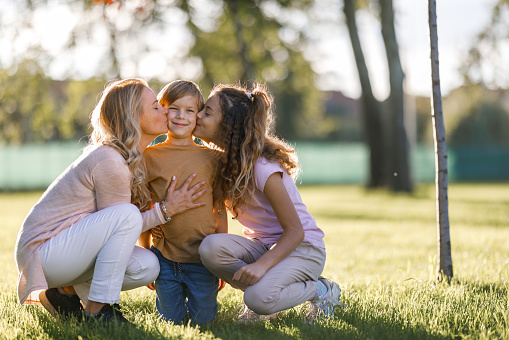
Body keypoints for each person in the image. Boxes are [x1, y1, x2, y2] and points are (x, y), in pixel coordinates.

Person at [14, 78, 207, 323]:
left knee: (147, 265)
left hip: (62, 249)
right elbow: (121, 223)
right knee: (125, 214)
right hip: (42, 253)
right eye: (156, 106)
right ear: (133, 117)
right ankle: (98, 309)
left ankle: (64, 293)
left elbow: (113, 234)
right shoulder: (110, 160)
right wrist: (166, 210)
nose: (165, 111)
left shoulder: (125, 157)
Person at [194, 83, 345, 322]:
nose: (198, 115)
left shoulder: (263, 168)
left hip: (303, 249)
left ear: (229, 126)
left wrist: (262, 266)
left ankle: (322, 290)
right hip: (263, 246)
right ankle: (266, 290)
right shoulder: (223, 164)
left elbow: (295, 232)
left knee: (257, 299)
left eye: (207, 112)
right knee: (210, 248)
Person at [138, 80, 227, 325]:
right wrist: (146, 254)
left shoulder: (213, 158)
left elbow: (219, 208)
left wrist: (219, 258)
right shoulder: (149, 157)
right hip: (165, 258)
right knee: (171, 322)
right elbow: (145, 209)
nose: (181, 116)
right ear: (163, 110)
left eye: (189, 110)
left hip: (202, 259)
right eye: (174, 108)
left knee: (204, 321)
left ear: (198, 115)